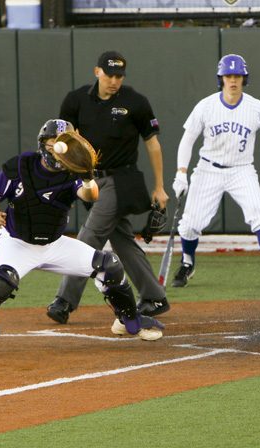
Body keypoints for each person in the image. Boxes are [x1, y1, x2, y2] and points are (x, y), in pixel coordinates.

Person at [0, 120, 164, 359]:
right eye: (52, 145)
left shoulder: (74, 170)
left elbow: (89, 196)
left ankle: (127, 319)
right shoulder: (20, 166)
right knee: (0, 283)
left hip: (54, 244)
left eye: (63, 145)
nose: (56, 150)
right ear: (42, 145)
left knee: (109, 265)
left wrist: (89, 177)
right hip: (16, 241)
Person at [46, 51, 170, 324]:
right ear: (97, 72)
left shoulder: (135, 102)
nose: (114, 81)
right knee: (123, 241)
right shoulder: (76, 100)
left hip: (120, 181)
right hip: (91, 180)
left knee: (89, 237)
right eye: (109, 74)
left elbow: (152, 144)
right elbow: (63, 141)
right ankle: (154, 296)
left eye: (119, 76)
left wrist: (159, 187)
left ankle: (64, 301)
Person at [170, 54, 260, 290]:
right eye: (228, 76)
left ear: (244, 78)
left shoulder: (255, 106)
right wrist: (181, 172)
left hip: (242, 170)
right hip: (208, 169)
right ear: (221, 78)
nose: (233, 80)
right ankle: (187, 263)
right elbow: (187, 140)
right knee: (190, 224)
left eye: (238, 76)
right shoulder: (206, 105)